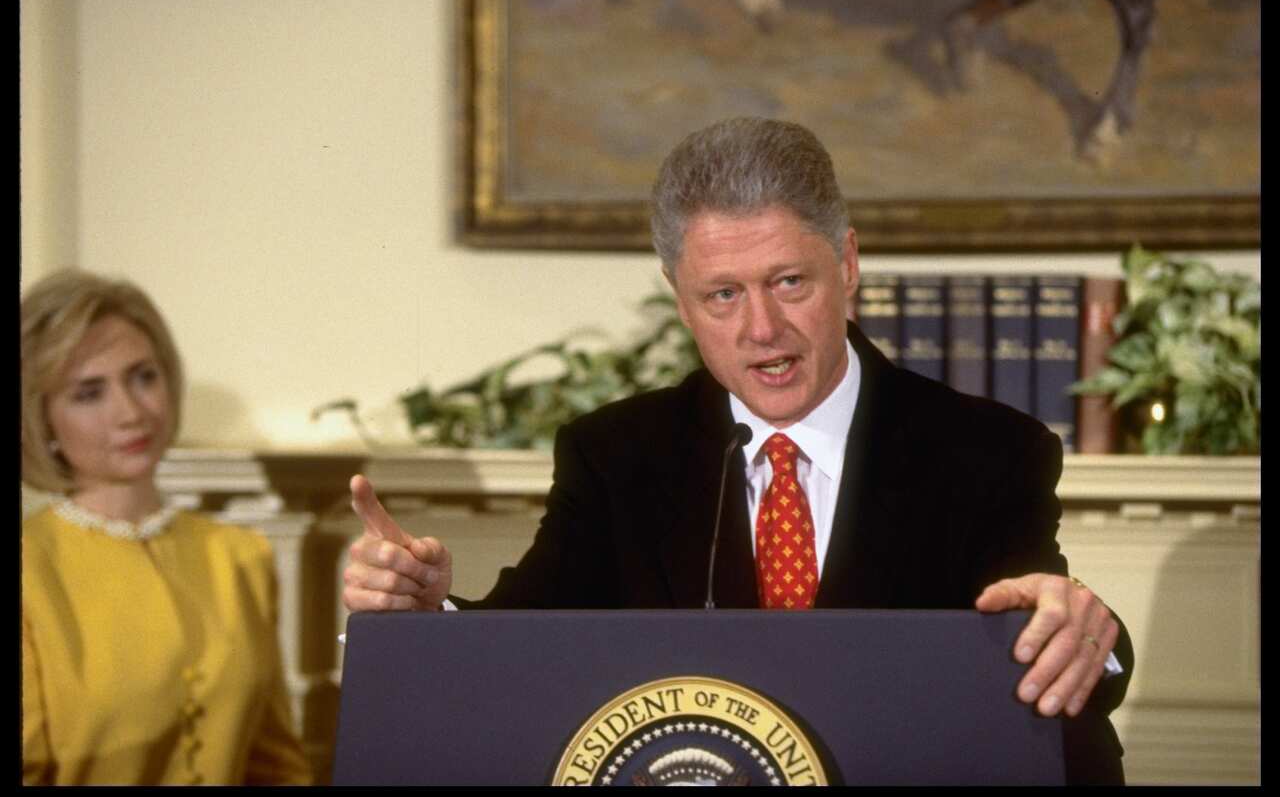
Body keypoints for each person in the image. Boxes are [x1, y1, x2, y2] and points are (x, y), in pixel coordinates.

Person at [341, 117, 1134, 784]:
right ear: (679, 299)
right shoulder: (617, 455)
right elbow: (524, 647)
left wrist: (1089, 639)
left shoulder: (988, 451)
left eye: (790, 281)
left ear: (848, 264)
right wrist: (425, 615)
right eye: (723, 294)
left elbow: (1045, 630)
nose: (761, 329)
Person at [21, 269, 311, 786]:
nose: (131, 412)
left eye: (143, 376)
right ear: (41, 421)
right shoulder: (29, 569)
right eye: (90, 393)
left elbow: (276, 766)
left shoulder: (240, 554)